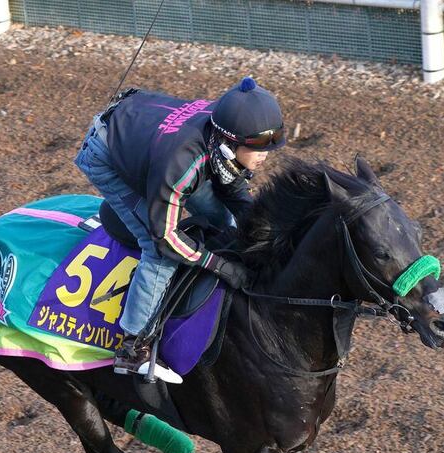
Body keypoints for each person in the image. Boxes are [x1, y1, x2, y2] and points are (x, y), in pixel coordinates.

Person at [74, 77, 286, 383]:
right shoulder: (182, 163)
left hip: (145, 134)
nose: (266, 153)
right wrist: (220, 266)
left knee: (221, 219)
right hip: (106, 154)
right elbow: (166, 239)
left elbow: (231, 185)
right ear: (229, 144)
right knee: (158, 252)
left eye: (271, 144)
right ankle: (133, 347)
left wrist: (259, 228)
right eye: (258, 146)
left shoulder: (220, 135)